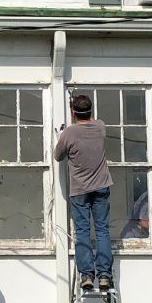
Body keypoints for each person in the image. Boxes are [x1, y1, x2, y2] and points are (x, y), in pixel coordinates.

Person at [54, 93, 113, 292]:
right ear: (91, 111)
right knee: (103, 230)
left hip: (79, 189)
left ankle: (87, 275)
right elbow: (92, 121)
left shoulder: (69, 134)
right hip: (101, 185)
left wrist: (61, 134)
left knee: (82, 231)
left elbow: (58, 156)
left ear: (72, 112)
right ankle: (104, 275)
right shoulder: (100, 127)